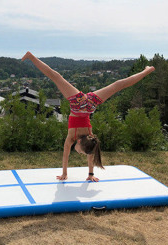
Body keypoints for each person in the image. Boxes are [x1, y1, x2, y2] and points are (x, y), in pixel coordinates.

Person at [22, 51, 155, 181]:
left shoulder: (90, 136)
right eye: (80, 152)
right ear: (79, 142)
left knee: (118, 85)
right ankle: (31, 56)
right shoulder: (72, 137)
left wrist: (90, 173)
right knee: (56, 77)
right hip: (77, 104)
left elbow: (91, 153)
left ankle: (146, 71)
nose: (79, 153)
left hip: (90, 104)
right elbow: (66, 155)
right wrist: (66, 173)